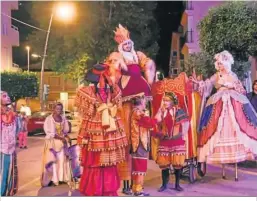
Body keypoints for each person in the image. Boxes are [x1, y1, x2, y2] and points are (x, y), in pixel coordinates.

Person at [190, 50, 257, 180]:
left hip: (233, 102)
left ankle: (236, 160)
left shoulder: (233, 76)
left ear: (226, 64)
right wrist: (198, 83)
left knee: (236, 125)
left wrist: (230, 85)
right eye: (218, 64)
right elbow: (207, 84)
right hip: (218, 102)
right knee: (216, 127)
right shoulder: (216, 75)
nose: (219, 66)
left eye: (221, 63)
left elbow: (241, 90)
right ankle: (223, 166)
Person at [107, 24, 156, 194]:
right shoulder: (119, 56)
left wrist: (148, 65)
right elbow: (114, 71)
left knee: (138, 155)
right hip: (127, 85)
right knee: (130, 149)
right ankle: (129, 186)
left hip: (138, 85)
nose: (127, 45)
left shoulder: (137, 55)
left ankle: (137, 187)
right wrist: (121, 66)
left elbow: (146, 63)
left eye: (129, 43)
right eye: (124, 44)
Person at [76, 63, 128, 196]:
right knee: (96, 159)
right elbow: (87, 112)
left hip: (110, 123)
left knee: (108, 160)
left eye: (105, 79)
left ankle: (106, 188)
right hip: (96, 125)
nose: (103, 81)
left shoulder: (113, 90)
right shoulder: (88, 92)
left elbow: (118, 102)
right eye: (101, 79)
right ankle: (96, 188)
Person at [151, 92, 189, 192]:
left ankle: (177, 184)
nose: (165, 102)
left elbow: (186, 124)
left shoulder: (179, 111)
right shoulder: (161, 111)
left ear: (172, 101)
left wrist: (181, 135)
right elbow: (155, 123)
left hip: (176, 141)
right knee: (164, 165)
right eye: (164, 100)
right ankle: (164, 184)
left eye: (167, 100)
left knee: (177, 165)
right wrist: (159, 133)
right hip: (165, 141)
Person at [129, 96, 158, 196]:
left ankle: (136, 189)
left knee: (138, 167)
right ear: (141, 102)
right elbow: (148, 123)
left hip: (139, 144)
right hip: (139, 144)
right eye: (144, 101)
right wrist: (157, 118)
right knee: (139, 168)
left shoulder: (136, 111)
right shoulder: (137, 112)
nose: (145, 102)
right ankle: (138, 190)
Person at [41, 102, 71, 187]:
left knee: (62, 160)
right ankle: (54, 180)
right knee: (54, 161)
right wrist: (62, 139)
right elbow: (50, 133)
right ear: (53, 109)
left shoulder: (63, 118)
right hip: (52, 143)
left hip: (61, 143)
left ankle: (61, 178)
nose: (59, 110)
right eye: (57, 108)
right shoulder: (49, 119)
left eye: (60, 109)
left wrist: (67, 137)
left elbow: (65, 131)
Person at [0, 91, 19, 196]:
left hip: (11, 149)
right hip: (1, 149)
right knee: (2, 173)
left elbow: (17, 130)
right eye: (4, 96)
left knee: (9, 174)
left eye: (7, 95)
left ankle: (8, 193)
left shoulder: (12, 114)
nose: (8, 97)